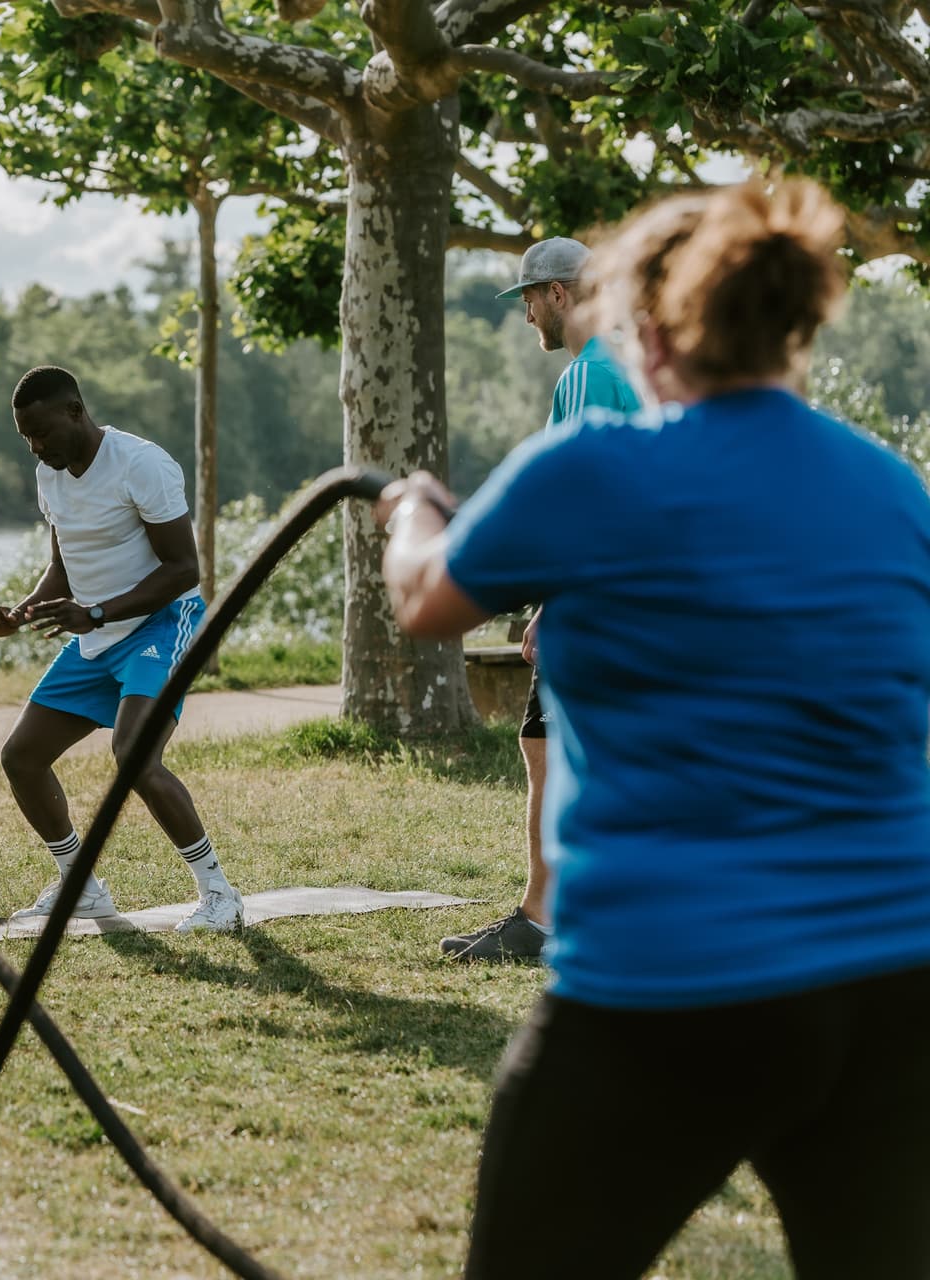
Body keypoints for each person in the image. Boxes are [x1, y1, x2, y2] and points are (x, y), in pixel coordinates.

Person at [379, 179, 930, 1277]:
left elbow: (429, 602)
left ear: (649, 323)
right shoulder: (892, 487)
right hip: (898, 980)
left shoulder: (596, 467)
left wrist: (413, 512)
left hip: (677, 979)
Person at [0, 365, 241, 932]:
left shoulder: (141, 465)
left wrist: (95, 612)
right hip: (97, 631)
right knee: (20, 757)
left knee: (135, 757)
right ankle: (82, 885)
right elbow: (64, 565)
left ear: (75, 412)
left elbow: (183, 569)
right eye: (25, 437)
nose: (35, 447)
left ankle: (219, 894)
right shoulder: (51, 475)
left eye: (41, 432)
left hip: (161, 624)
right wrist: (20, 615)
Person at [440, 237, 644, 963]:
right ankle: (557, 910)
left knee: (554, 750)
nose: (526, 313)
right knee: (548, 745)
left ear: (559, 294)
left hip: (602, 599)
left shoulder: (589, 372)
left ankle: (547, 918)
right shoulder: (623, 362)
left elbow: (588, 499)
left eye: (528, 298)